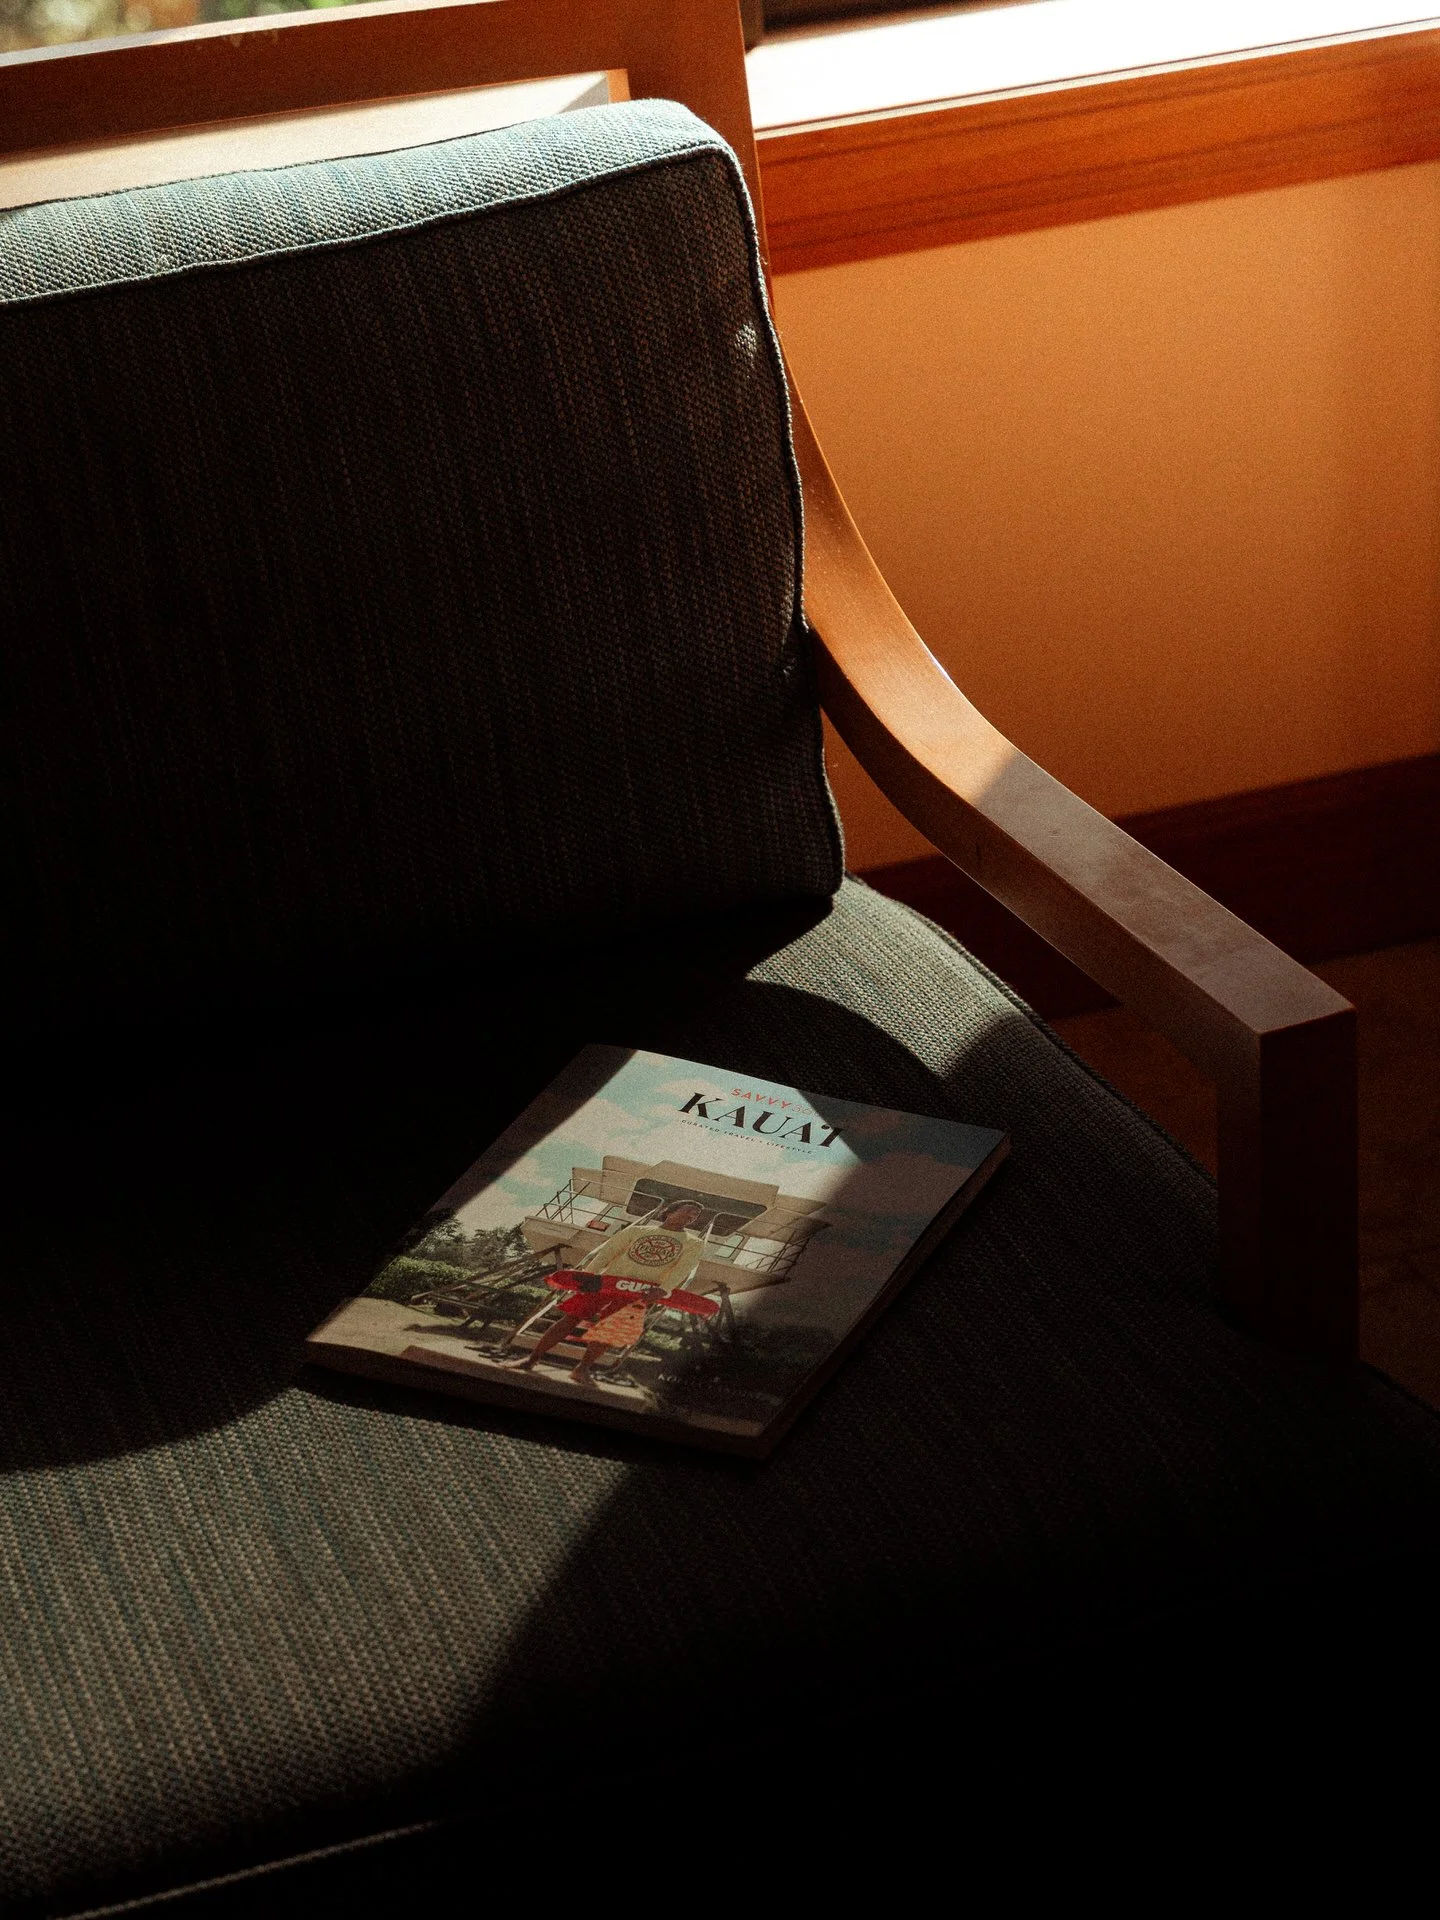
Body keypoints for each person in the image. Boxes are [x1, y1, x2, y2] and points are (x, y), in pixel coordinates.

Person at [508, 1200, 710, 1387]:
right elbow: (608, 1252)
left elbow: (683, 1268)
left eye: (695, 1215)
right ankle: (532, 1359)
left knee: (610, 1330)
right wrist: (588, 1275)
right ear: (669, 1212)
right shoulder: (638, 1230)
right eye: (688, 1211)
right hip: (607, 1283)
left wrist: (663, 1289)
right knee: (571, 1318)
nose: (691, 1216)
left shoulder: (694, 1243)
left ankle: (582, 1369)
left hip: (641, 1292)